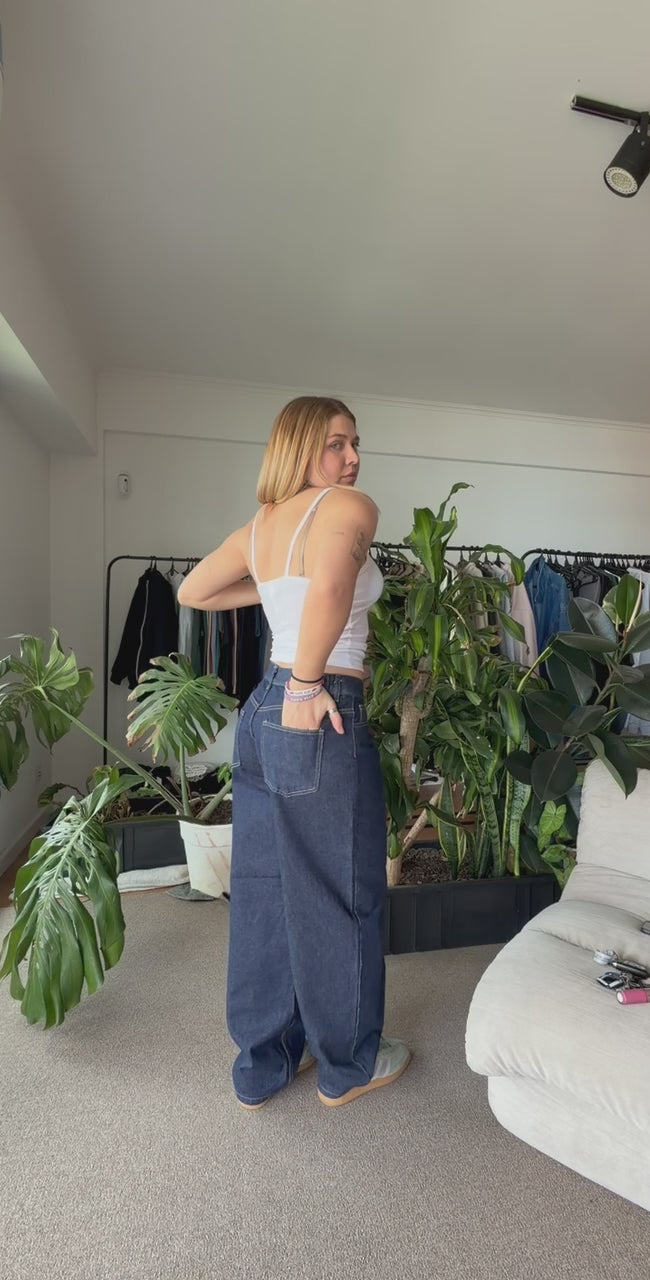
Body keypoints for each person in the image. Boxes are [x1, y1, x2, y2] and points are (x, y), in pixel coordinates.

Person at [178, 396, 411, 1108]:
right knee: (340, 889)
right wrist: (308, 683)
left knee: (266, 885)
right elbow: (334, 588)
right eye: (337, 443)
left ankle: (267, 1059)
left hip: (264, 708)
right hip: (318, 700)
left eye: (356, 444)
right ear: (300, 446)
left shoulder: (262, 525)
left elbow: (195, 589)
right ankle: (347, 1065)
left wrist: (276, 595)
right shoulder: (349, 507)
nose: (353, 458)